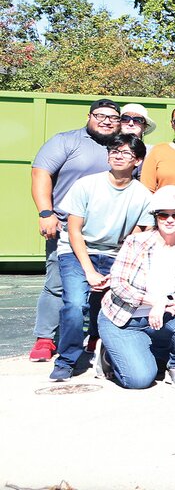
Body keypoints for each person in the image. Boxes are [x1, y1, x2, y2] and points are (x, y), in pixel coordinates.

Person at [50, 135, 153, 382]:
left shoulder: (143, 196)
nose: (118, 155)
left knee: (113, 308)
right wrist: (89, 271)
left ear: (137, 161)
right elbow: (73, 230)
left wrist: (119, 267)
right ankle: (66, 359)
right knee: (75, 305)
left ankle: (106, 352)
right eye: (114, 150)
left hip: (116, 255)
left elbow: (137, 237)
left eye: (126, 152)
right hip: (77, 251)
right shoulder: (86, 185)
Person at [29, 98, 117, 362]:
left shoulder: (121, 146)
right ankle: (45, 338)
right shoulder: (66, 141)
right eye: (100, 115)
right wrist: (46, 212)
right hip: (66, 226)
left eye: (112, 117)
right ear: (89, 116)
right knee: (57, 283)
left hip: (106, 230)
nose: (106, 121)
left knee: (101, 286)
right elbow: (40, 173)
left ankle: (95, 336)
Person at [95, 185, 175, 390]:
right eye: (163, 215)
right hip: (124, 320)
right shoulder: (135, 242)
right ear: (155, 217)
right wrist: (156, 302)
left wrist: (165, 302)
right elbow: (118, 284)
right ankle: (109, 353)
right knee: (139, 381)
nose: (170, 220)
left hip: (161, 319)